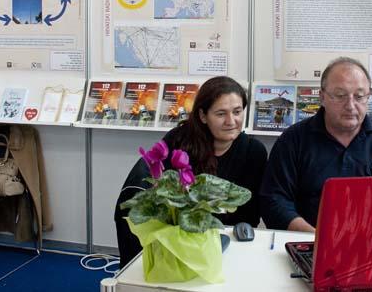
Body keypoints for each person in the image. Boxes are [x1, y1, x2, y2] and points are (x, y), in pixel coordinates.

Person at [114, 76, 268, 266]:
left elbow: (249, 215)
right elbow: (159, 196)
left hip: (227, 243)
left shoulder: (253, 151)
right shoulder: (179, 140)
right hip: (176, 241)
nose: (231, 121)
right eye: (221, 114)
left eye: (237, 112)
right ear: (203, 116)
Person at [260, 57, 372, 232]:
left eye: (359, 96)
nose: (350, 105)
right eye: (340, 96)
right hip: (309, 240)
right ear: (322, 97)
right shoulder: (293, 141)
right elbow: (274, 201)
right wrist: (316, 238)